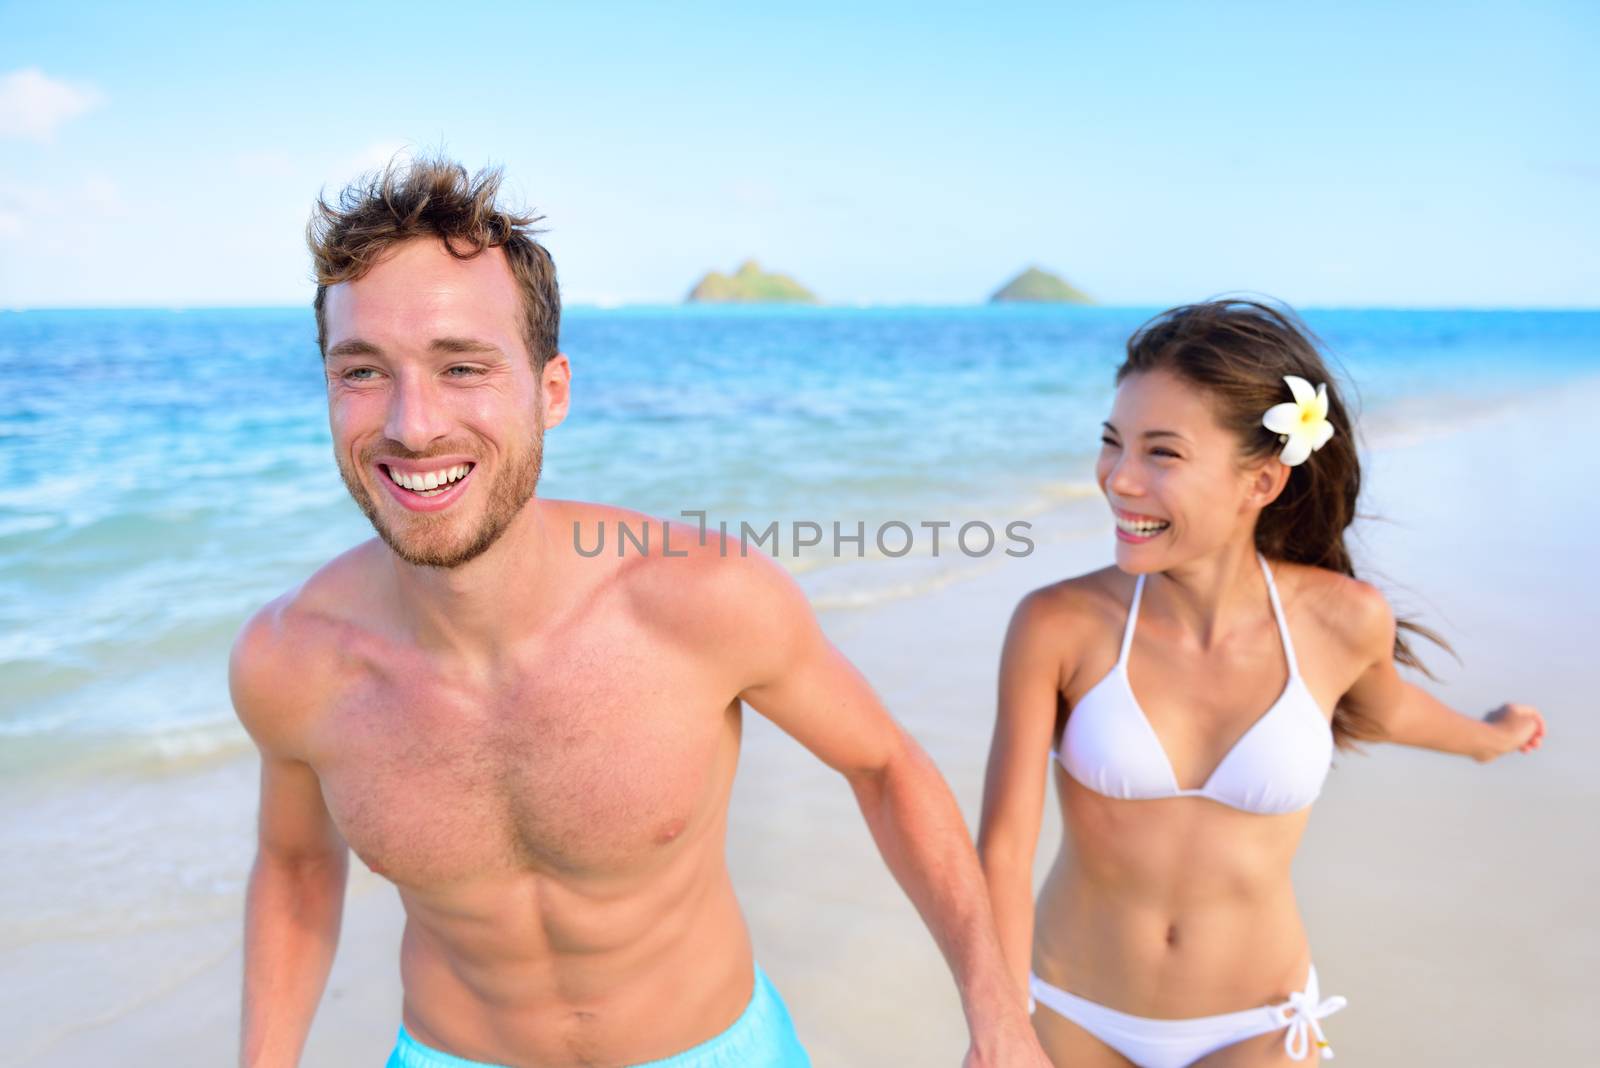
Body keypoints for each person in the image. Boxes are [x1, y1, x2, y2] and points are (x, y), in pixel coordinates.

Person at [231, 156, 1046, 1068]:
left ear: (551, 392)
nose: (412, 425)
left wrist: (997, 1012)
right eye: (363, 371)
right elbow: (299, 871)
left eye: (462, 366)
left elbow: (885, 767)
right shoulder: (290, 660)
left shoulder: (699, 598)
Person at [976, 300, 1546, 1067]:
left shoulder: (1340, 622)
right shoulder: (1058, 625)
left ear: (1263, 482)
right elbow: (1004, 852)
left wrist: (1490, 739)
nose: (1120, 479)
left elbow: (1384, 710)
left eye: (1162, 453)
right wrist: (1000, 1024)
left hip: (1260, 1027)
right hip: (1068, 1012)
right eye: (1112, 444)